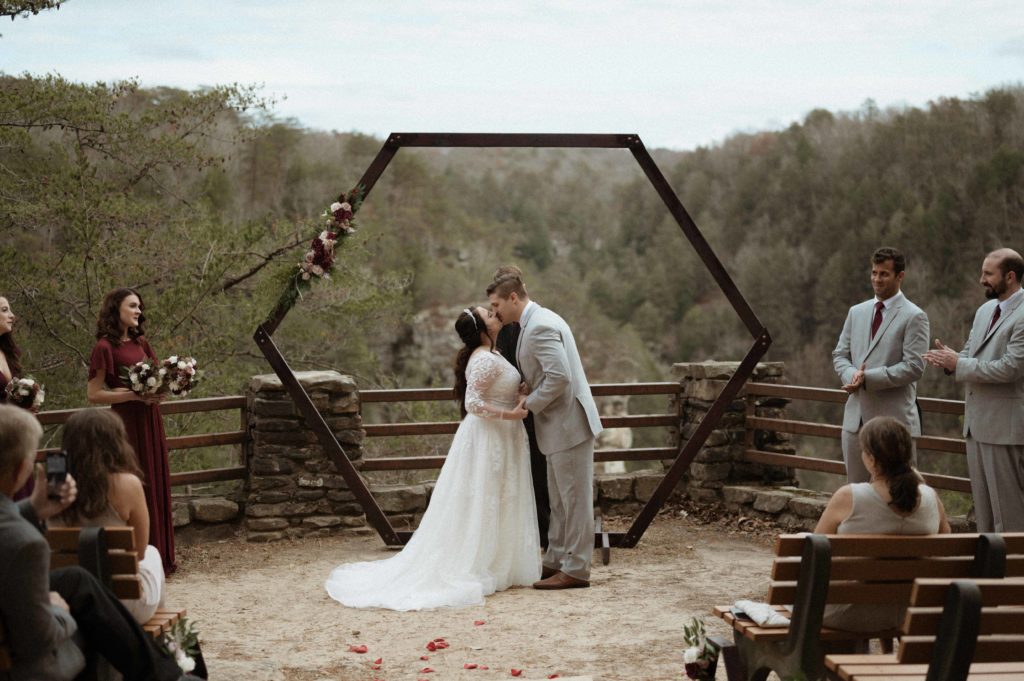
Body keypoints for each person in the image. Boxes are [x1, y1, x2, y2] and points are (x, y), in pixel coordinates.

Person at [325, 307, 540, 610]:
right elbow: (474, 403)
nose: (494, 315)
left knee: (501, 496)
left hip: (503, 435)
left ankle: (500, 561)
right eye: (488, 314)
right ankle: (478, 561)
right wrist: (511, 413)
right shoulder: (482, 358)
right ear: (481, 329)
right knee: (484, 497)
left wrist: (518, 392)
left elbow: (494, 390)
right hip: (489, 437)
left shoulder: (492, 354)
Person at [0, 404, 196, 681]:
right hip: (116, 603)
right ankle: (169, 654)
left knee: (80, 576)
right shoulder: (24, 544)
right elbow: (137, 552)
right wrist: (58, 609)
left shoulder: (52, 490)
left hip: (81, 585)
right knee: (151, 553)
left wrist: (34, 509)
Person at [488, 273, 602, 590]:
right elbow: (547, 373)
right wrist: (532, 385)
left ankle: (577, 569)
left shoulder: (538, 326)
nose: (494, 312)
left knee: (575, 500)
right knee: (560, 499)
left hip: (569, 424)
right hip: (559, 425)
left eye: (496, 304)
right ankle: (555, 560)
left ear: (513, 298)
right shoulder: (536, 321)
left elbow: (561, 377)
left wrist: (530, 403)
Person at [815, 416, 950, 632]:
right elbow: (946, 554)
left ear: (871, 459)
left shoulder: (849, 497)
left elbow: (813, 555)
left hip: (849, 613)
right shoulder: (931, 497)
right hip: (912, 612)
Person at [923, 247, 1024, 532]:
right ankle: (990, 572)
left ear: (1011, 277)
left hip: (1005, 429)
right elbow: (969, 354)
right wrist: (950, 360)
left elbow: (1011, 368)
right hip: (976, 426)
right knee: (985, 514)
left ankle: (1014, 572)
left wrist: (960, 364)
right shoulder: (984, 311)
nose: (981, 279)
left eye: (988, 274)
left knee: (1010, 513)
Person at [87, 288, 176, 574]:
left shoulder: (142, 342)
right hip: (126, 423)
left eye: (140, 307)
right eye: (133, 306)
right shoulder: (104, 347)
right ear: (117, 309)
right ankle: (136, 556)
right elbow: (94, 394)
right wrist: (132, 396)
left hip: (150, 419)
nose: (138, 311)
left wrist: (158, 392)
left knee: (155, 476)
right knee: (135, 479)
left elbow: (158, 378)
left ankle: (160, 555)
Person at [51, 409, 166, 623]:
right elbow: (138, 553)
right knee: (152, 553)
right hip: (121, 606)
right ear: (115, 441)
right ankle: (160, 643)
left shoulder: (55, 481)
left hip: (70, 600)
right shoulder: (127, 484)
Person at [832, 247, 929, 483]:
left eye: (884, 274)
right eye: (874, 273)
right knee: (857, 495)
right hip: (855, 422)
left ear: (900, 276)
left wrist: (870, 379)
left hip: (894, 425)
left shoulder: (914, 316)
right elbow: (839, 355)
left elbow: (915, 367)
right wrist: (852, 376)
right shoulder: (856, 312)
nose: (877, 279)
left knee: (897, 495)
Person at [488, 265, 550, 550]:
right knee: (526, 469)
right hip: (514, 406)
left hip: (528, 405)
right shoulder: (502, 328)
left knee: (536, 468)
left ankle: (541, 529)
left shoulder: (529, 324)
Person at [0, 295, 36, 500]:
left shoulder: (8, 351)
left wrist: (27, 403)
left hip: (17, 436)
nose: (12, 316)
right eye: (5, 310)